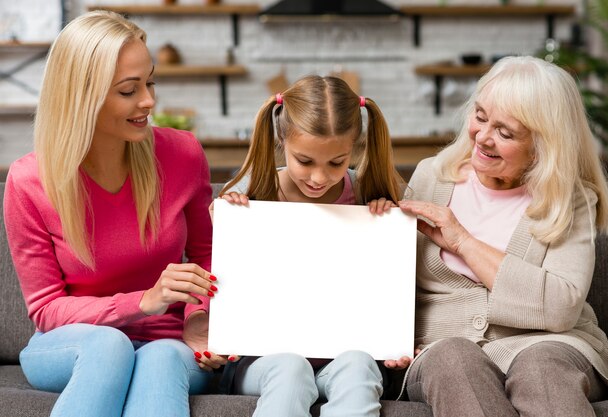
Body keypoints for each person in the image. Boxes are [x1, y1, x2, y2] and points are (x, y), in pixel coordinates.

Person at [3, 10, 233, 417]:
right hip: (70, 342)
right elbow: (46, 308)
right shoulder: (29, 182)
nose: (149, 101)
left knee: (160, 358)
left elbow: (209, 257)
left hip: (169, 342)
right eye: (129, 90)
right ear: (82, 97)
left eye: (150, 82)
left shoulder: (181, 155)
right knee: (111, 344)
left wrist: (198, 318)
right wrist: (143, 301)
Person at [385, 55, 608, 417]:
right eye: (480, 116)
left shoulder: (571, 200)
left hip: (550, 344)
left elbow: (560, 307)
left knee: (543, 367)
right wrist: (390, 340)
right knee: (453, 358)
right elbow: (391, 278)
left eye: (505, 133)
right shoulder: (431, 177)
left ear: (543, 144)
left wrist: (463, 241)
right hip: (439, 346)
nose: (482, 137)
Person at [214, 75, 404, 417]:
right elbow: (220, 280)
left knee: (358, 366)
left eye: (336, 163)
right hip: (265, 362)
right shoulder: (251, 191)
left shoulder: (368, 193)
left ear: (355, 148)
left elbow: (395, 292)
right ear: (281, 139)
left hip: (345, 358)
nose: (318, 177)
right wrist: (225, 224)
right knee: (291, 369)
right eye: (305, 161)